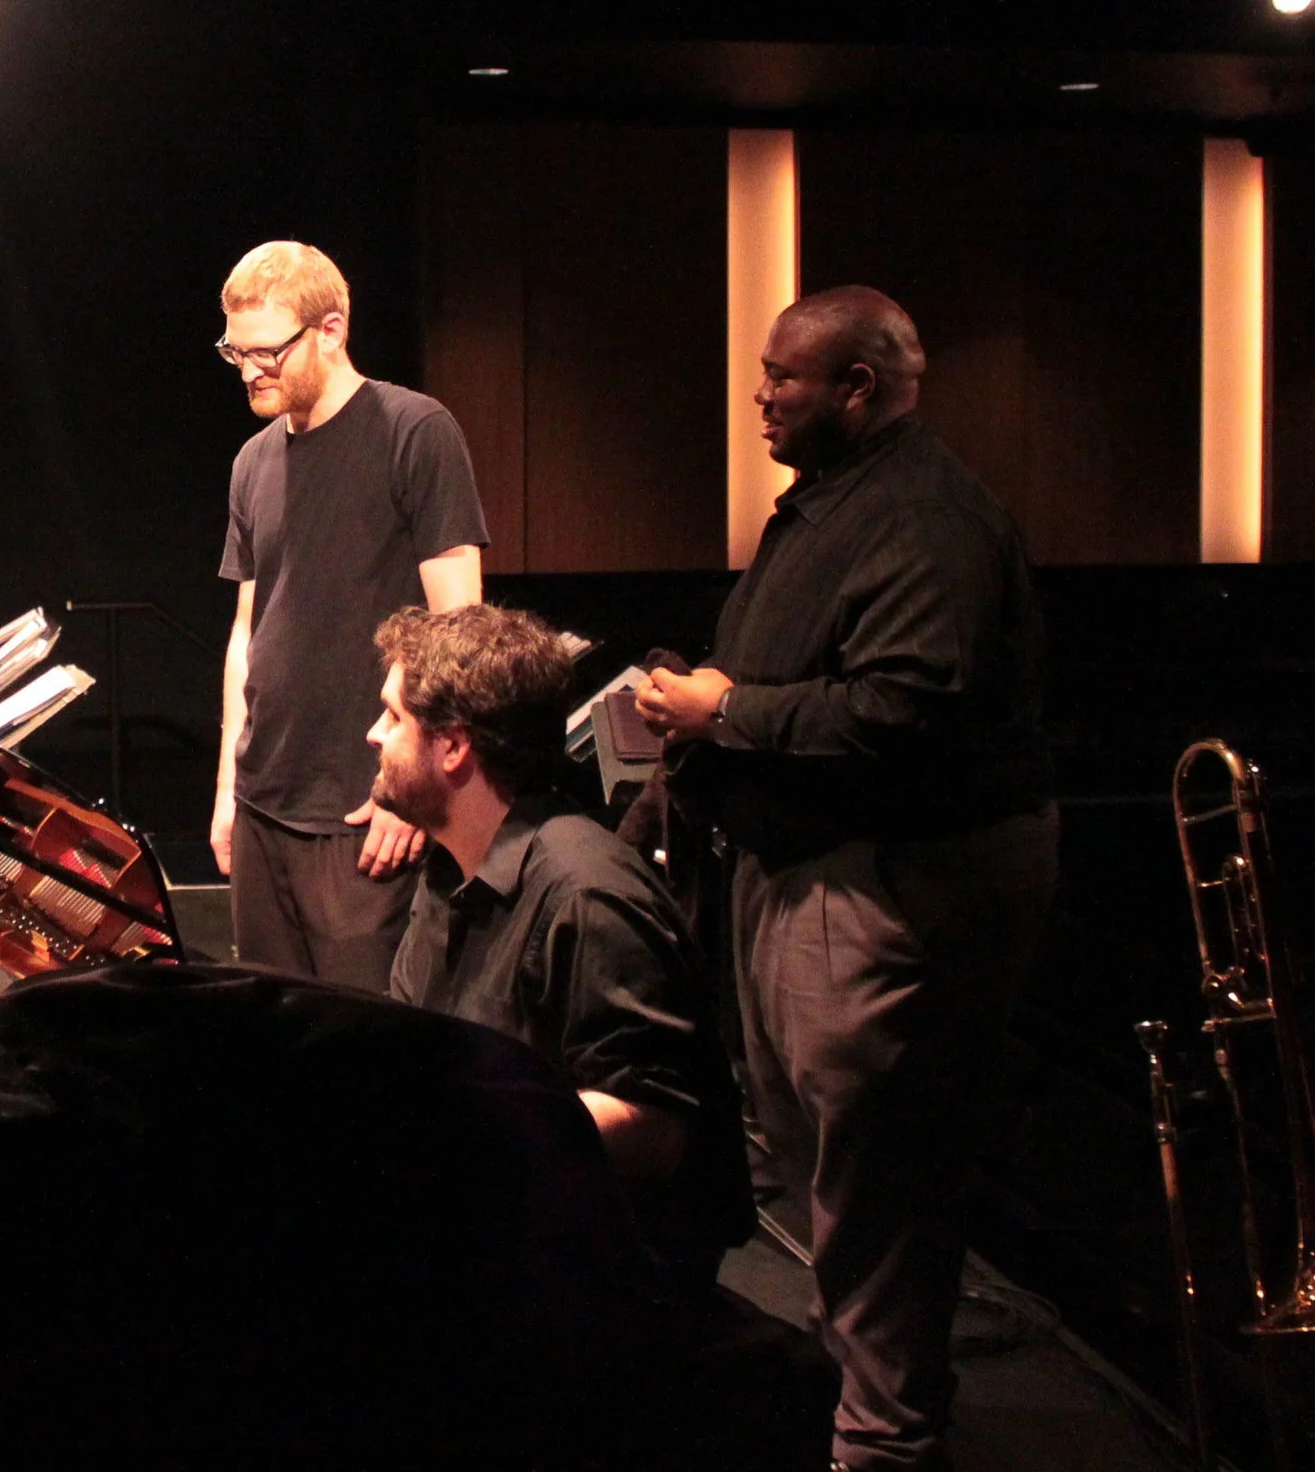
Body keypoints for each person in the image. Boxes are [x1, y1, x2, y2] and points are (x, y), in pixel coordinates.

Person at [635, 286, 1057, 1472]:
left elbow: (901, 711)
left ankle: (883, 1440)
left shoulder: (926, 520)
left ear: (856, 388)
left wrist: (731, 709)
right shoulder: (837, 503)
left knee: (879, 1179)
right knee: (830, 1167)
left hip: (882, 886)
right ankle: (858, 1403)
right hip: (807, 874)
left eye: (782, 377)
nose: (760, 396)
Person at [375, 603, 752, 1283]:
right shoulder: (447, 864)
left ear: (453, 746)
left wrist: (458, 1129)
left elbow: (656, 1126)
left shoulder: (585, 892)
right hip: (497, 1223)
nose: (374, 736)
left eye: (393, 718)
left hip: (592, 1272)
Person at [211, 241, 487, 992]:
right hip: (264, 802)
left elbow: (460, 633)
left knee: (364, 1056)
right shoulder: (252, 461)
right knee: (274, 1046)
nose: (249, 371)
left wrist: (416, 791)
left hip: (366, 811)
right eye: (236, 351)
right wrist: (226, 788)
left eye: (267, 352)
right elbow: (248, 632)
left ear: (330, 331)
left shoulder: (414, 431)